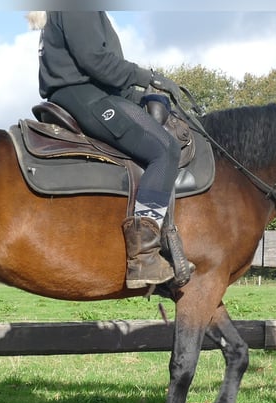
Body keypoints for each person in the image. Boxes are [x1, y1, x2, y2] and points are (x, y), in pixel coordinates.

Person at [29, 10, 183, 289]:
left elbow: (105, 76)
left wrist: (144, 95)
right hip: (81, 95)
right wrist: (148, 76)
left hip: (93, 93)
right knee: (165, 148)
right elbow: (96, 61)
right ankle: (144, 256)